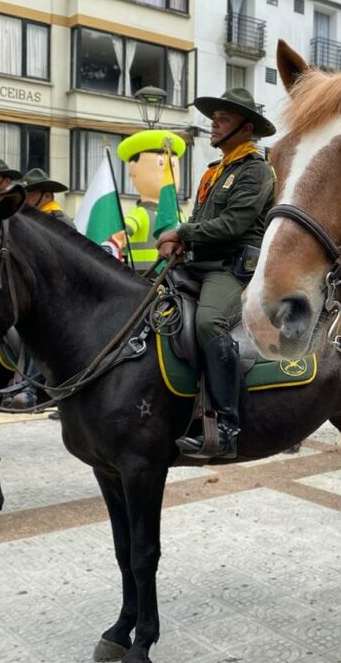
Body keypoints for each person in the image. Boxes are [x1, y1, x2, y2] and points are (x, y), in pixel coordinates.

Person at [157, 88, 276, 459]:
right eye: (215, 118)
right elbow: (200, 220)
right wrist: (180, 241)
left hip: (232, 266)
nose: (214, 124)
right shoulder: (216, 172)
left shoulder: (256, 171)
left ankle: (226, 425)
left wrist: (182, 232)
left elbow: (234, 224)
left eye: (223, 119)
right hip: (197, 261)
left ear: (246, 128)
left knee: (210, 323)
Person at [115, 131, 187, 271]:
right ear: (133, 170)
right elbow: (124, 232)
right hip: (144, 275)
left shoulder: (179, 214)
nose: (169, 173)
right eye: (162, 164)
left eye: (173, 166)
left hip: (174, 275)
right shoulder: (140, 214)